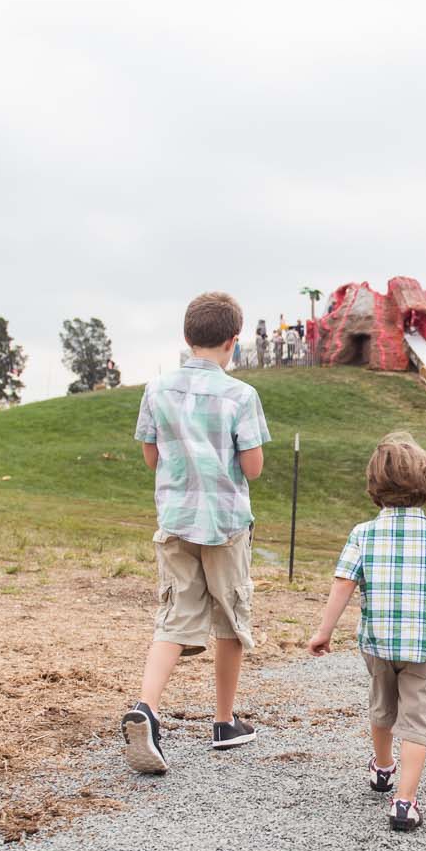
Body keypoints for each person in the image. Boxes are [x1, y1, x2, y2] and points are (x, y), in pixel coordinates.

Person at [123, 292, 270, 773]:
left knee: (174, 618)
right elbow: (253, 467)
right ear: (233, 341)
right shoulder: (241, 396)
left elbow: (151, 458)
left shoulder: (156, 389)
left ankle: (146, 708)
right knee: (229, 618)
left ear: (186, 338)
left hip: (177, 522)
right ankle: (224, 722)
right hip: (226, 526)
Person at [307, 434, 426, 832]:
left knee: (383, 705)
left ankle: (382, 768)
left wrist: (323, 631)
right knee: (418, 718)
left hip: (378, 643)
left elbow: (343, 584)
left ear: (375, 487)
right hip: (424, 647)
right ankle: (405, 801)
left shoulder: (363, 534)